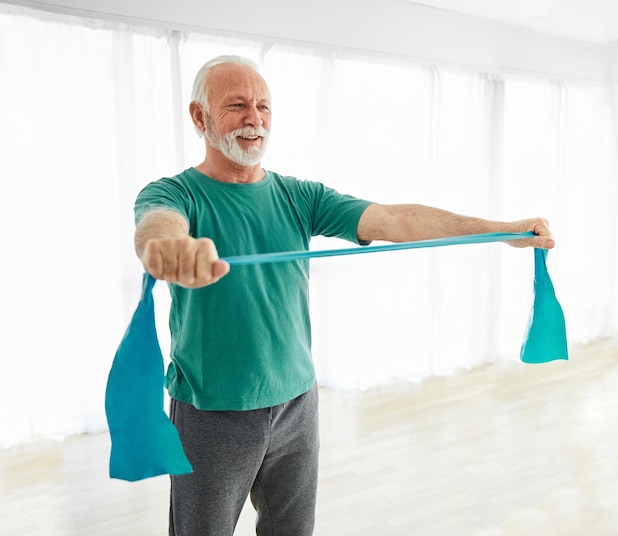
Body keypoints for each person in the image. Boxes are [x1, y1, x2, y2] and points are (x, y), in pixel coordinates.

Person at [134, 55, 554, 536]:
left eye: (264, 106)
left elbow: (396, 220)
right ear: (199, 117)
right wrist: (173, 250)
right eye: (236, 105)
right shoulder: (176, 193)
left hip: (297, 401)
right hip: (213, 412)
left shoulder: (299, 196)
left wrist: (502, 231)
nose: (254, 119)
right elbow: (156, 228)